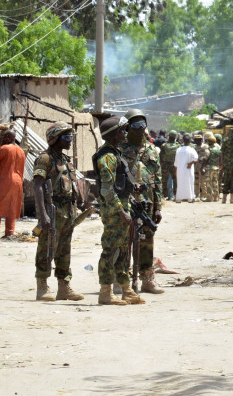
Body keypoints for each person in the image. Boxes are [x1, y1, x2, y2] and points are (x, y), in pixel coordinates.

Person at [93, 116, 143, 305]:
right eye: (122, 130)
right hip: (114, 210)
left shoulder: (116, 155)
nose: (125, 133)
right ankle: (105, 292)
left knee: (122, 250)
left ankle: (126, 289)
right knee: (110, 250)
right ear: (113, 134)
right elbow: (107, 190)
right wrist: (121, 211)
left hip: (122, 206)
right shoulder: (107, 157)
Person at [32, 122, 83, 302]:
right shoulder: (45, 159)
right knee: (47, 248)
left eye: (71, 137)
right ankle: (42, 286)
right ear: (55, 139)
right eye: (66, 137)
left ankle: (64, 286)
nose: (70, 141)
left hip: (68, 211)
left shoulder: (65, 160)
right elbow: (37, 186)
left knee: (64, 249)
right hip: (52, 210)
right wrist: (43, 214)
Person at [119, 109, 165, 295]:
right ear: (127, 127)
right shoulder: (120, 149)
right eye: (135, 125)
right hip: (127, 201)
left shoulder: (152, 150)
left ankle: (147, 279)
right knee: (124, 240)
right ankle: (122, 278)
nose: (139, 129)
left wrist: (158, 207)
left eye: (142, 125)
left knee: (147, 240)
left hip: (147, 203)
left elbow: (158, 179)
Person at [0, 129, 26, 239]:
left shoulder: (5, 148)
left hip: (5, 180)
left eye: (3, 137)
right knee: (12, 206)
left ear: (8, 138)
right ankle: (10, 232)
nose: (2, 139)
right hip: (17, 181)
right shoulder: (21, 151)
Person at [174, 134, 198, 202]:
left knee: (180, 183)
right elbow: (196, 158)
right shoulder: (191, 150)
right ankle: (190, 198)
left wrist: (176, 170)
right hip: (189, 169)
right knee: (189, 183)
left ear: (183, 141)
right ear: (190, 141)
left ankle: (178, 198)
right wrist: (190, 163)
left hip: (180, 169)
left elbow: (176, 162)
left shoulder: (179, 150)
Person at [220, 126, 233, 204]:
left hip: (226, 163)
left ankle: (224, 198)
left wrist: (221, 163)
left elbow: (222, 152)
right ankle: (232, 199)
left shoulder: (225, 140)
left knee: (226, 180)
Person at [160, 130, 180, 200]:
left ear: (169, 136)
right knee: (175, 180)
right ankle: (175, 195)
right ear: (175, 137)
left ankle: (164, 195)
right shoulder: (178, 146)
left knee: (164, 180)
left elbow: (161, 156)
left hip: (165, 165)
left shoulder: (164, 145)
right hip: (174, 165)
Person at [204, 133, 221, 202]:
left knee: (208, 183)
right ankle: (216, 197)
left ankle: (209, 197)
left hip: (209, 168)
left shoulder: (208, 149)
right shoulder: (218, 149)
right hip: (216, 168)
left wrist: (202, 166)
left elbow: (206, 158)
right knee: (215, 182)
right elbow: (221, 158)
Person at [193, 133, 209, 201]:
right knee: (196, 181)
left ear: (200, 140)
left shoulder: (205, 147)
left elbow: (206, 156)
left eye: (197, 140)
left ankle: (204, 195)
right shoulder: (194, 147)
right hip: (195, 166)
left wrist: (203, 167)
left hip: (202, 165)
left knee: (203, 181)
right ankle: (197, 195)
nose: (195, 141)